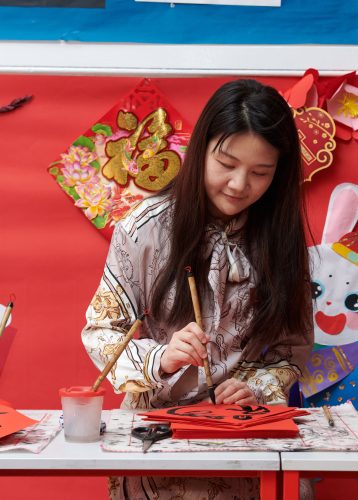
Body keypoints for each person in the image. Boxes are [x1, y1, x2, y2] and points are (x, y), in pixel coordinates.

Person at [82, 78, 314, 499]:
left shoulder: (282, 240)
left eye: (260, 172)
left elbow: (291, 349)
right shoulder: (144, 229)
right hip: (156, 436)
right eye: (226, 163)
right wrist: (161, 358)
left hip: (245, 436)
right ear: (200, 149)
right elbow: (101, 333)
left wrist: (255, 388)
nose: (240, 185)